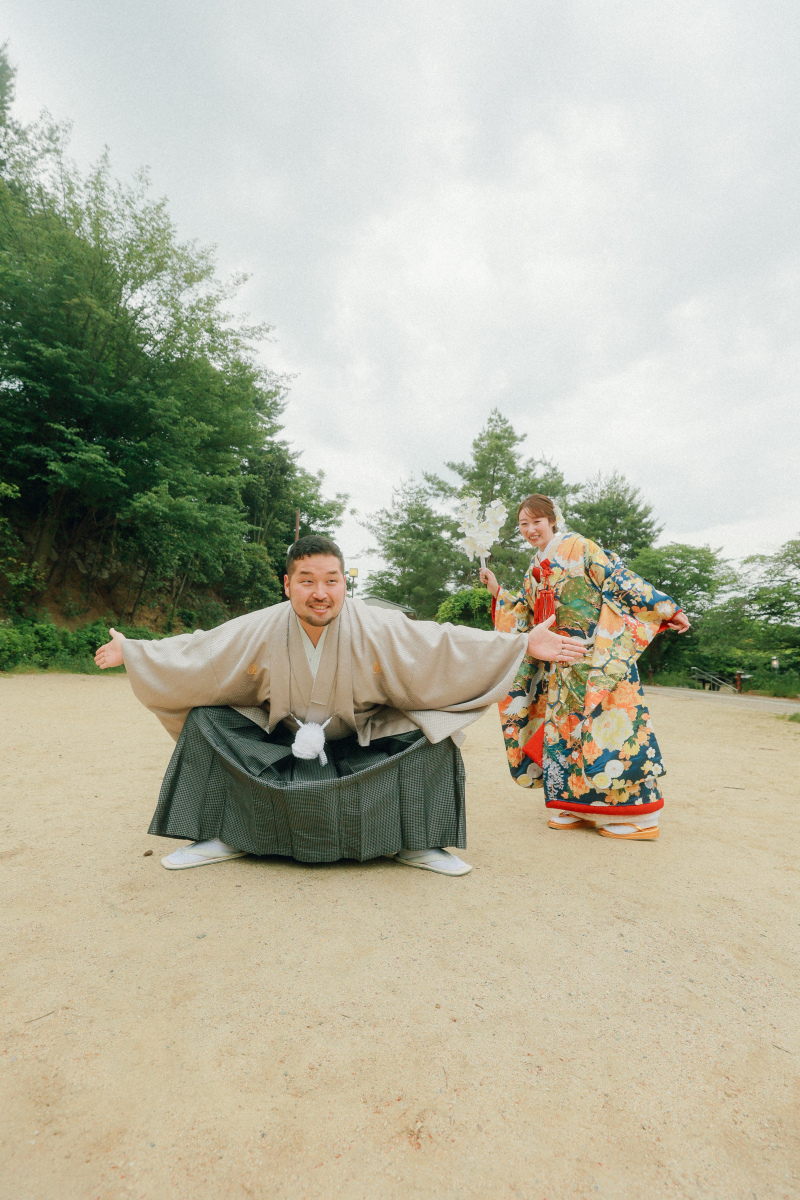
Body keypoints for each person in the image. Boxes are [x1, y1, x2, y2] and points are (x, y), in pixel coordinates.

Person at [95, 535, 586, 875]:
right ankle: (224, 833)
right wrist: (134, 652)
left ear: (345, 583)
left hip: (360, 745)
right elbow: (201, 651)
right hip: (279, 746)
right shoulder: (261, 625)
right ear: (287, 584)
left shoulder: (374, 624)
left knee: (435, 727)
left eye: (331, 580)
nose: (320, 593)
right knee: (205, 720)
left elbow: (440, 644)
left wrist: (522, 644)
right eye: (307, 580)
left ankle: (416, 841)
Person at [480, 496, 690, 840]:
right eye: (523, 524)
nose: (530, 530)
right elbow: (525, 612)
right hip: (560, 664)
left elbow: (618, 579)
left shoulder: (581, 547)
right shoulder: (534, 566)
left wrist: (666, 608)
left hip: (596, 658)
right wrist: (497, 590)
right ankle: (575, 806)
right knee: (566, 734)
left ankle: (640, 816)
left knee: (610, 732)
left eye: (537, 522)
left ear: (552, 521)